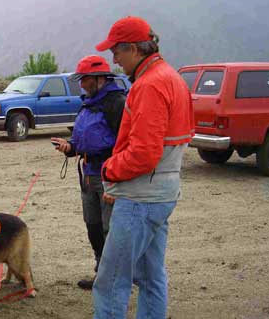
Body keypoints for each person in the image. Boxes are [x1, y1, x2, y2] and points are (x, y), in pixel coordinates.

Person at [91, 16, 194, 319]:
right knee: (151, 277)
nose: (114, 60)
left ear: (134, 49)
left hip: (141, 198)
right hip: (163, 192)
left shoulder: (149, 85)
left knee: (109, 282)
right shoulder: (172, 77)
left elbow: (144, 153)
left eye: (117, 52)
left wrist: (110, 170)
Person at [52, 55, 126, 290]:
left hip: (109, 176)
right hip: (88, 174)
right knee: (92, 225)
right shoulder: (88, 103)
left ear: (98, 78)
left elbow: (126, 144)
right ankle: (101, 271)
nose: (81, 84)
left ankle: (112, 278)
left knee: (109, 228)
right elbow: (82, 139)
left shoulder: (116, 104)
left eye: (84, 80)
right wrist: (70, 147)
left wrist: (117, 181)